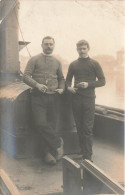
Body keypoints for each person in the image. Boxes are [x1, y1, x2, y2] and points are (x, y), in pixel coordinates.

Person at [23, 36, 65, 165]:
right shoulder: (34, 59)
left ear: (54, 45)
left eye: (51, 44)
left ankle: (49, 154)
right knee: (41, 123)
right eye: (46, 44)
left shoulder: (57, 62)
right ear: (42, 45)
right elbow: (25, 76)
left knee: (51, 125)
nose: (49, 46)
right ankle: (58, 143)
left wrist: (62, 88)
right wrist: (37, 85)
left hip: (54, 97)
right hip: (38, 97)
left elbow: (61, 78)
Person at [66, 40, 106, 161]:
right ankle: (83, 152)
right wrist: (69, 88)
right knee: (79, 126)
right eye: (80, 49)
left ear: (88, 49)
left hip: (89, 99)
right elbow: (67, 80)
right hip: (76, 99)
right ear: (77, 50)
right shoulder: (73, 64)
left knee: (87, 128)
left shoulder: (94, 64)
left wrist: (88, 84)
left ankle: (88, 157)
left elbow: (102, 81)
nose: (82, 51)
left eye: (84, 48)